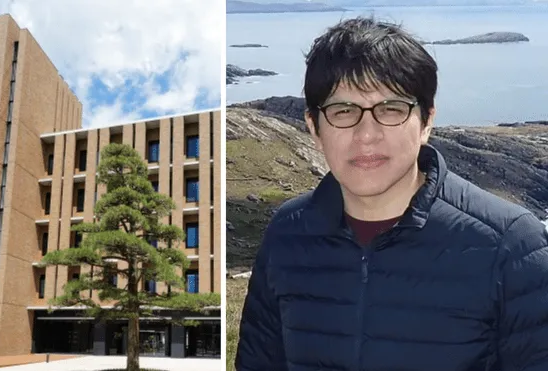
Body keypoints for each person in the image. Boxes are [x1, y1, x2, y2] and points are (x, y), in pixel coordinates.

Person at [235, 16, 548, 371]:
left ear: (426, 121)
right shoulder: (287, 234)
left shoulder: (510, 244)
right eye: (343, 111)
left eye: (391, 110)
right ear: (314, 127)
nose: (366, 134)